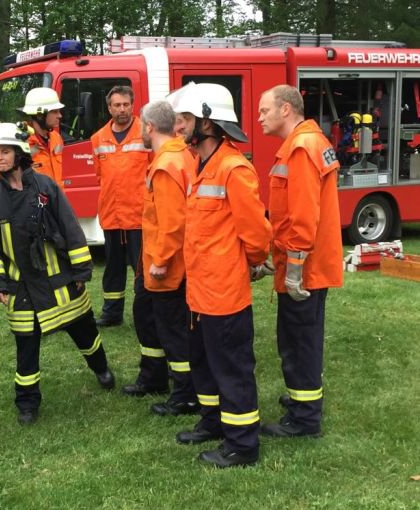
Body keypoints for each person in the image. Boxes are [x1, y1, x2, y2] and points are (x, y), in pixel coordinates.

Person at [0, 122, 115, 424]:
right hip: (21, 288)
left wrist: (80, 269)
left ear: (19, 153)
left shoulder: (46, 187)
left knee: (85, 331)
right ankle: (27, 403)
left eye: (5, 151)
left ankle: (101, 368)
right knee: (26, 347)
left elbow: (70, 227)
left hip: (60, 280)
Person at [171, 83, 272, 468]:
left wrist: (254, 262)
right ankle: (214, 422)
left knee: (232, 369)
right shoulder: (202, 165)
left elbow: (256, 232)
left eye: (186, 120)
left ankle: (243, 443)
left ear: (208, 123)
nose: (180, 127)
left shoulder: (233, 169)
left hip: (225, 292)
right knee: (206, 363)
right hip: (201, 291)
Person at [258, 85, 343, 438]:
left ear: (286, 110)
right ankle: (300, 400)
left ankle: (305, 419)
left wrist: (293, 271)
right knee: (297, 339)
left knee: (299, 343)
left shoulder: (301, 148)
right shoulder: (307, 143)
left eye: (265, 110)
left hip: (305, 271)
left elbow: (303, 216)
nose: (260, 116)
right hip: (308, 264)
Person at [120, 100, 198, 416]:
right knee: (148, 316)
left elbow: (173, 222)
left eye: (141, 125)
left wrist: (162, 261)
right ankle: (153, 376)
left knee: (173, 331)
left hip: (168, 267)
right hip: (158, 261)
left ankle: (185, 394)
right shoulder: (180, 155)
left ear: (150, 127)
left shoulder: (167, 164)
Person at [91, 85, 151, 327]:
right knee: (113, 269)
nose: (122, 109)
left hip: (139, 216)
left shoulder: (146, 133)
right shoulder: (97, 138)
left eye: (126, 104)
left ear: (133, 105)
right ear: (109, 108)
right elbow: (100, 176)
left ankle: (144, 313)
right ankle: (111, 313)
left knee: (141, 269)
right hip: (112, 215)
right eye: (117, 105)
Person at [19, 87, 64, 188]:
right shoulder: (21, 142)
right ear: (40, 115)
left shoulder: (56, 138)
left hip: (56, 200)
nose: (60, 115)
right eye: (55, 112)